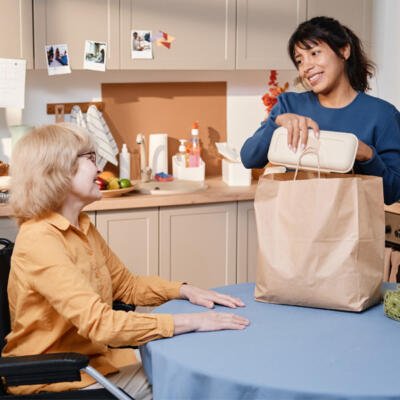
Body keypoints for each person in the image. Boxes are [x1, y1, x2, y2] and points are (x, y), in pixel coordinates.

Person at [3, 123, 249, 398]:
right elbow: (101, 323)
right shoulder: (39, 239)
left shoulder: (81, 226)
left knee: (187, 364)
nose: (99, 169)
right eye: (91, 158)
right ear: (57, 170)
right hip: (57, 378)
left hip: (95, 362)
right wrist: (194, 322)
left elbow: (127, 287)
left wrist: (183, 290)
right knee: (184, 384)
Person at [240, 16, 400, 205]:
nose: (306, 66)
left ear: (344, 50)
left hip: (351, 232)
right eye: (299, 61)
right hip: (296, 227)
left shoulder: (382, 115)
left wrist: (367, 155)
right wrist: (277, 123)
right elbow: (249, 158)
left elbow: (393, 192)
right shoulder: (289, 105)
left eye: (315, 53)